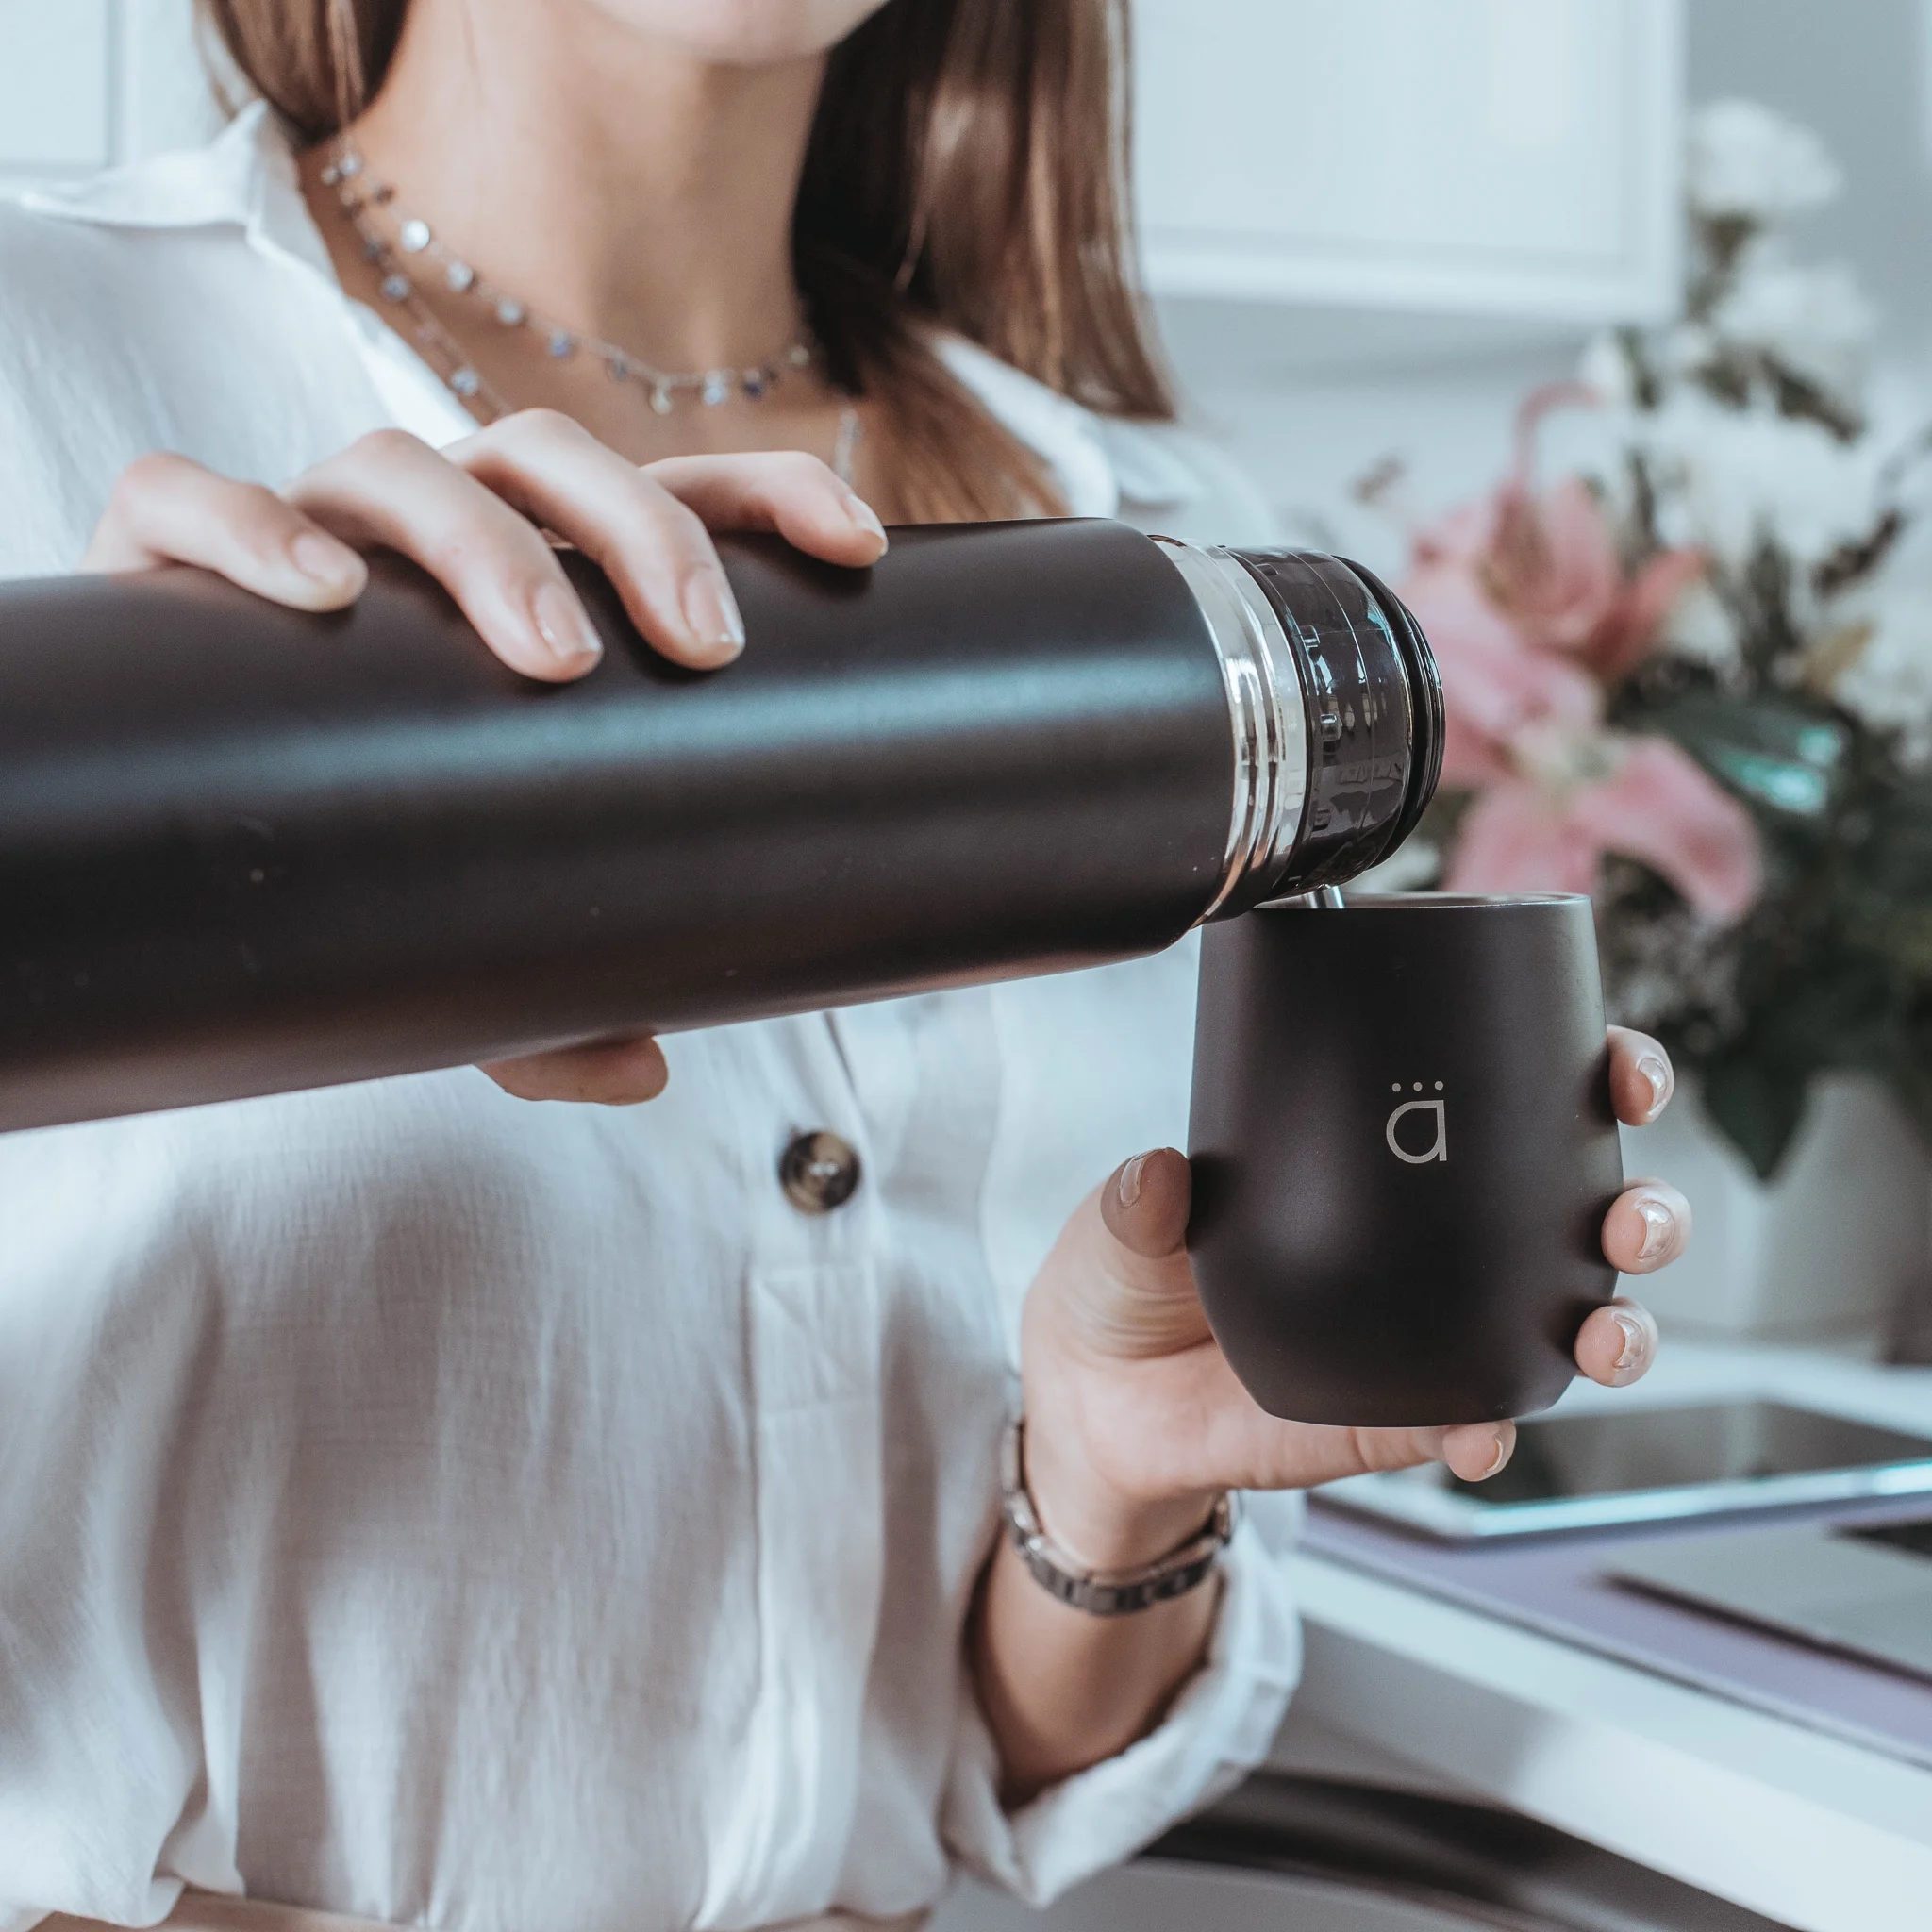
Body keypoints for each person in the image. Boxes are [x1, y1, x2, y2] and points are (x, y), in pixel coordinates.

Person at [0, 3, 1690, 1928]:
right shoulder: (42, 362)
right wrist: (142, 796)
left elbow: (988, 1760)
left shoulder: (1170, 558)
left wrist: (1108, 1499)